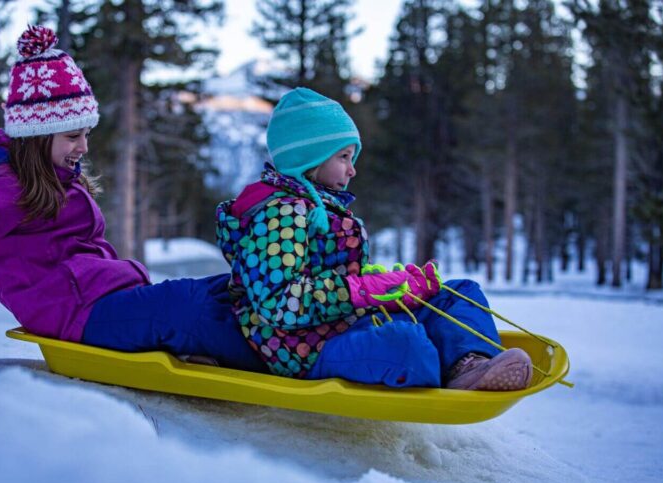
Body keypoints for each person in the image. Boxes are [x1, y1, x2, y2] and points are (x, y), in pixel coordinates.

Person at [0, 25, 266, 373]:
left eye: (86, 134)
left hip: (103, 300)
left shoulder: (55, 177)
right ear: (35, 136)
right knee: (190, 310)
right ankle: (282, 361)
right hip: (74, 314)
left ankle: (286, 336)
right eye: (73, 136)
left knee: (223, 289)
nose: (84, 147)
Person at [216, 87, 533, 390]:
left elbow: (336, 273)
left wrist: (391, 284)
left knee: (461, 292)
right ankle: (448, 363)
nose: (352, 170)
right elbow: (278, 303)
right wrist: (359, 291)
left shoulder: (322, 206)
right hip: (302, 348)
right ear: (309, 158)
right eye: (343, 157)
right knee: (408, 345)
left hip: (345, 324)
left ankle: (470, 364)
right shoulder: (278, 215)